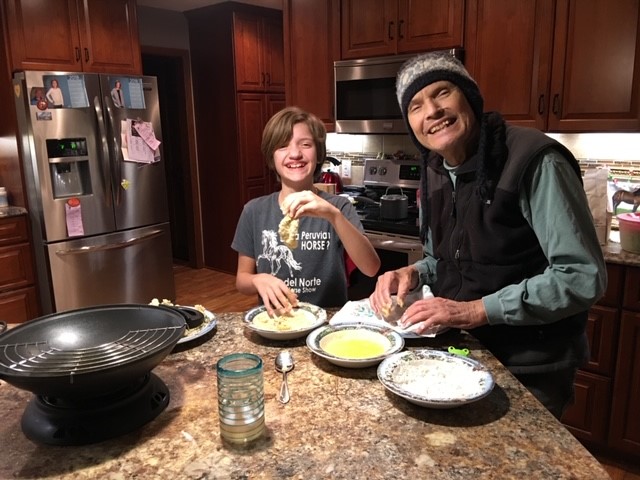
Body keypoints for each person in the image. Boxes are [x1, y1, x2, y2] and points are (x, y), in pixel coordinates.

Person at [369, 52, 607, 419]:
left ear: (469, 96)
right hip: (460, 353)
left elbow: (581, 277)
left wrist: (475, 310)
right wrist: (413, 273)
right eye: (415, 106)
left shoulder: (533, 160)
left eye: (442, 92)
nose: (432, 111)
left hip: (531, 366)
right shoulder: (434, 169)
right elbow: (443, 258)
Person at [232, 106, 380, 315]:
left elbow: (371, 268)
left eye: (306, 144)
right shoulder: (254, 211)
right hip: (278, 321)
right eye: (282, 146)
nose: (295, 154)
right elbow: (242, 280)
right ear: (271, 157)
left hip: (328, 322)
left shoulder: (338, 207)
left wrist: (333, 216)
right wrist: (258, 279)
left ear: (319, 154)